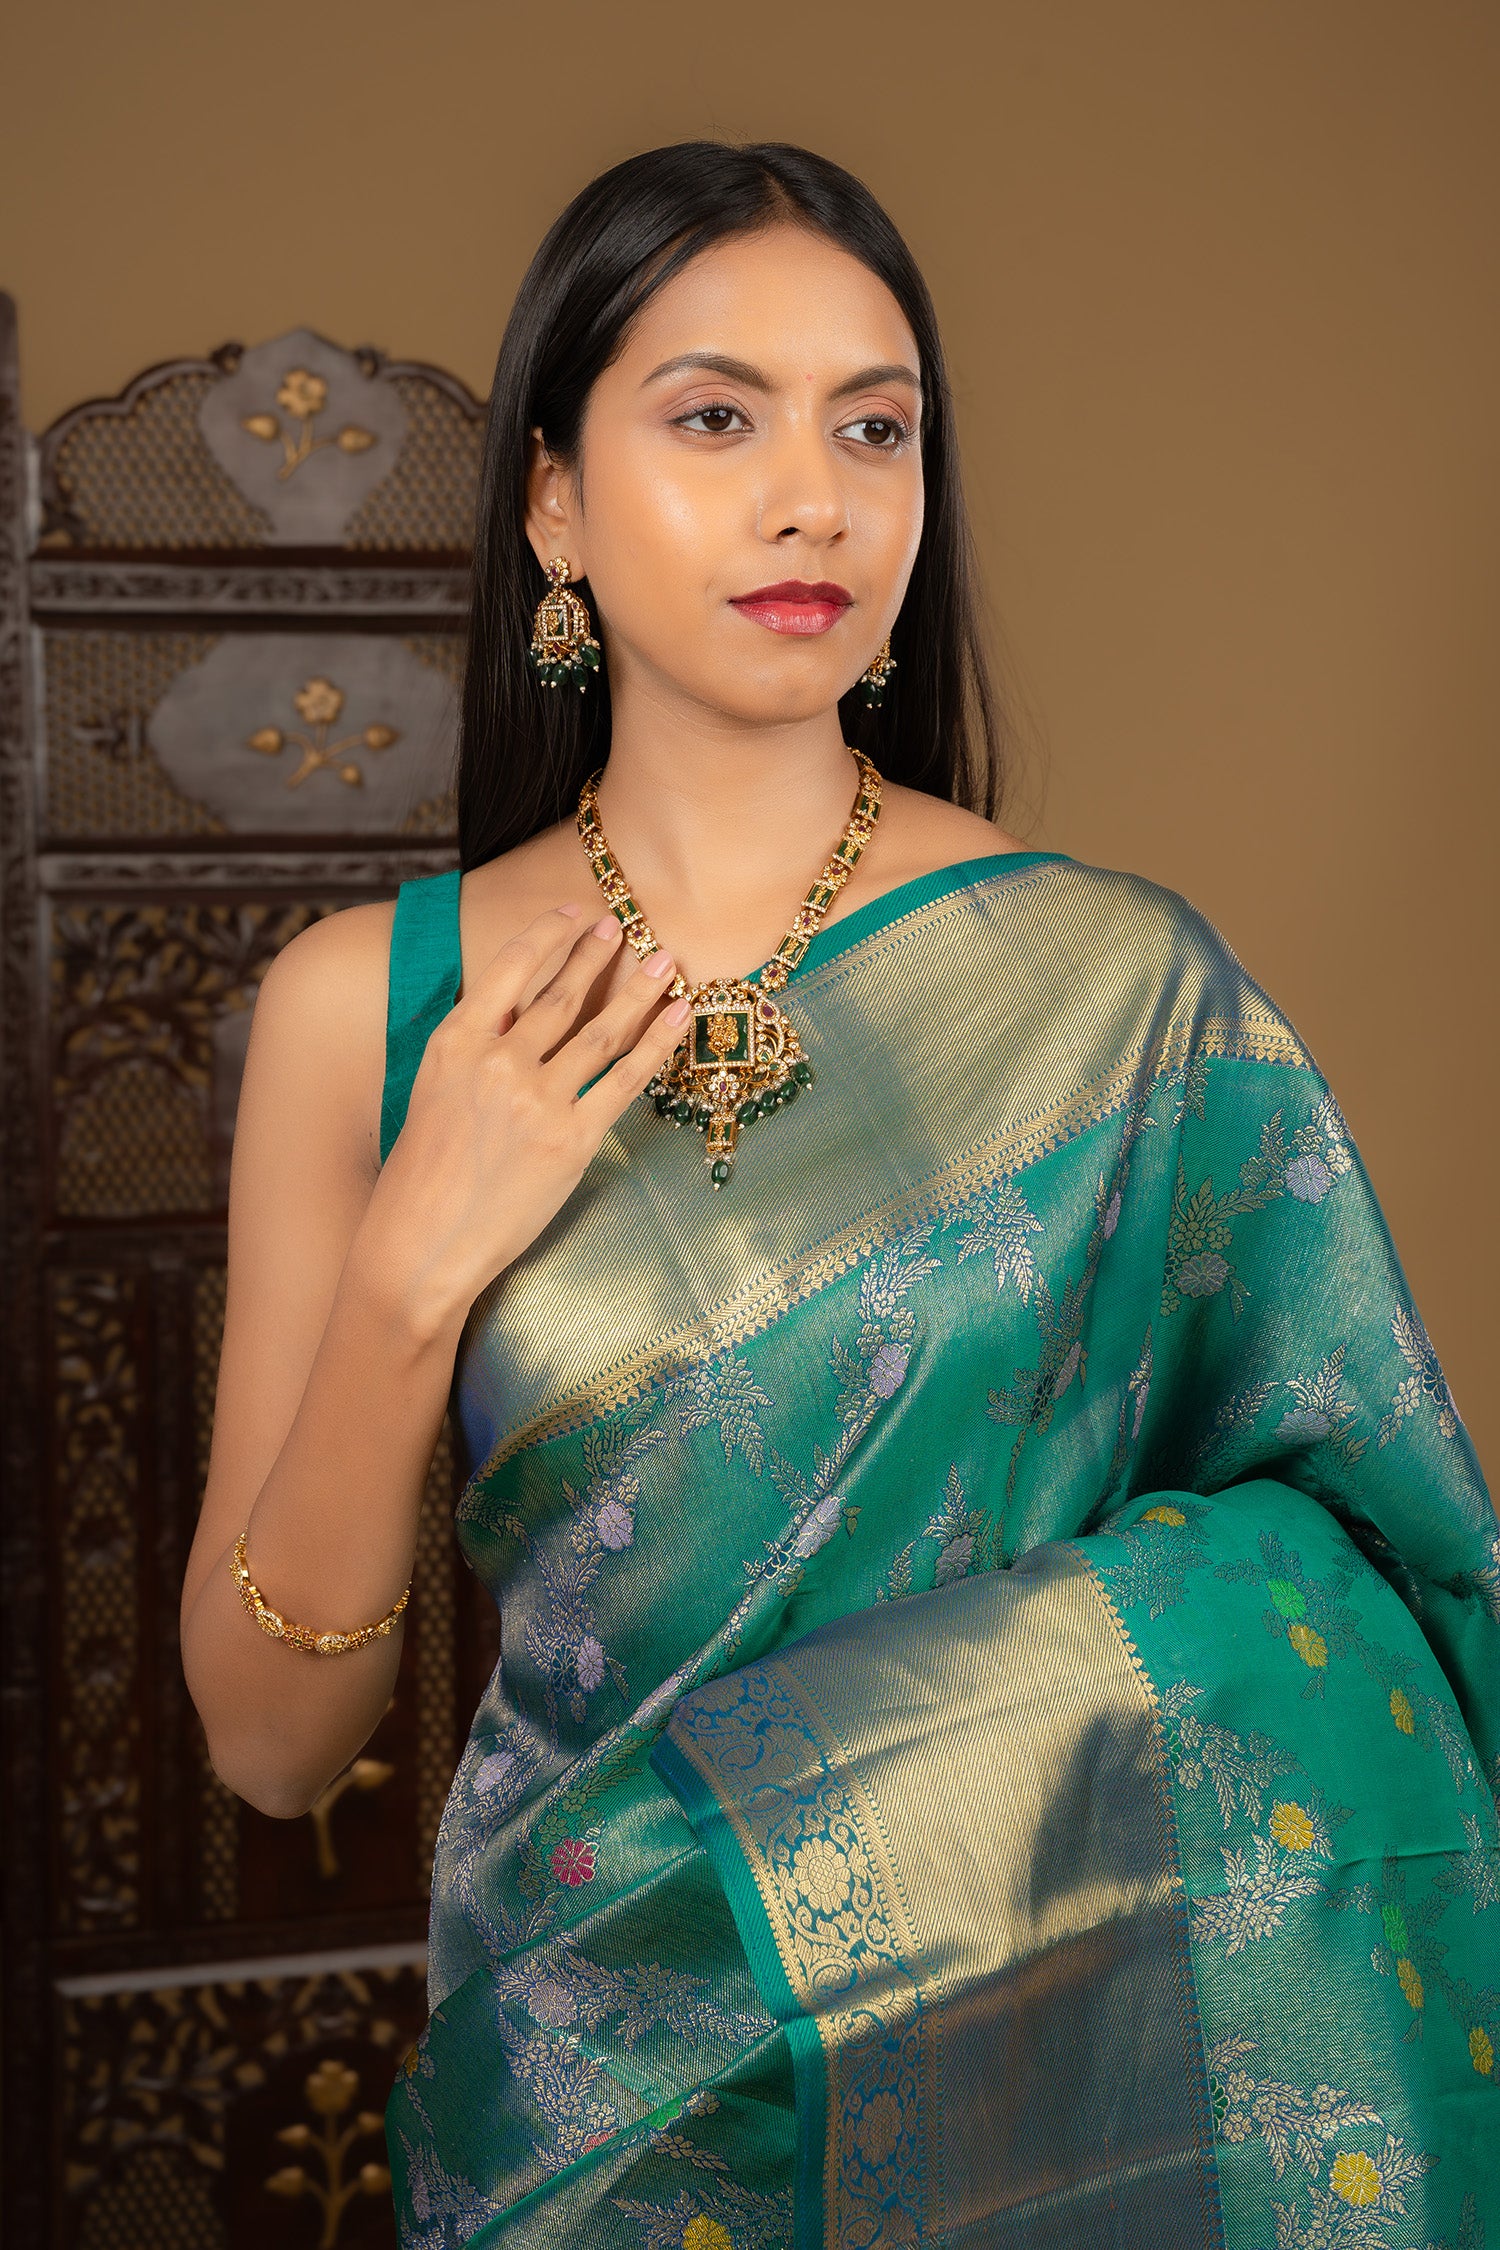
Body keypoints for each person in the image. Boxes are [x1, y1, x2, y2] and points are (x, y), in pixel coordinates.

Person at [181, 143, 1499, 2250]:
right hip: (591, 2097)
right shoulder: (372, 1010)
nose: (814, 497)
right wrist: (412, 1272)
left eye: (874, 430)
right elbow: (270, 1746)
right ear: (553, 503)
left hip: (1042, 2089)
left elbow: (1383, 1565)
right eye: (717, 418)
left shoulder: (1116, 992)